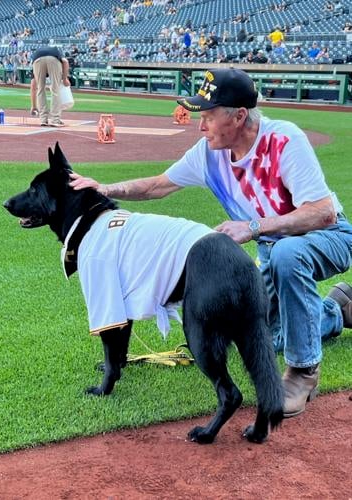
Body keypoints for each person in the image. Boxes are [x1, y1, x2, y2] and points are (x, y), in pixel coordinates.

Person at [70, 68, 352, 419]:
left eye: (208, 116)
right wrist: (106, 190)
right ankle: (337, 310)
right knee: (261, 334)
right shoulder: (209, 153)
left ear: (238, 115)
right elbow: (158, 185)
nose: (200, 126)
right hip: (273, 254)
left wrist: (253, 226)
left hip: (326, 238)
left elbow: (323, 213)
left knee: (286, 255)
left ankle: (303, 371)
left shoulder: (283, 140)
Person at [31, 46, 70, 127]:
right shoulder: (56, 52)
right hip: (53, 58)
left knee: (40, 89)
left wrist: (34, 106)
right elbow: (65, 61)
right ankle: (55, 120)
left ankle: (43, 120)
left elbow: (34, 88)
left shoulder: (37, 56)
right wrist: (65, 78)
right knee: (55, 89)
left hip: (37, 59)